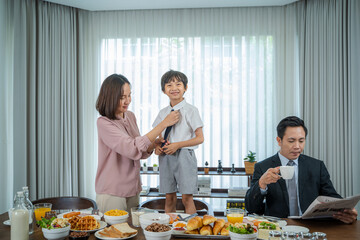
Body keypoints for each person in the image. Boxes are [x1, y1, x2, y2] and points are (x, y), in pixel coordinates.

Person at [245, 116, 358, 224]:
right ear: (279, 141)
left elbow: (332, 198)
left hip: (311, 226)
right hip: (278, 227)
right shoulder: (263, 167)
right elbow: (251, 208)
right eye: (291, 141)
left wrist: (347, 211)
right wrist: (262, 183)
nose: (297, 146)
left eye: (301, 141)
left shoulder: (316, 166)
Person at [95, 73, 180, 213]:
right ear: (110, 97)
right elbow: (131, 147)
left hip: (133, 189)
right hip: (112, 192)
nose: (127, 101)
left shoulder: (130, 116)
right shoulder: (104, 123)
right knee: (115, 233)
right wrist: (164, 123)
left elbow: (139, 151)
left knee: (132, 232)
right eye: (122, 97)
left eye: (129, 95)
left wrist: (154, 144)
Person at [153, 70, 204, 214]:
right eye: (169, 85)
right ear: (164, 90)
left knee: (187, 197)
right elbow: (157, 136)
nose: (174, 88)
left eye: (178, 84)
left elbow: (200, 138)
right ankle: (169, 231)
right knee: (169, 197)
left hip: (184, 155)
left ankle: (190, 231)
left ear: (185, 88)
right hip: (166, 156)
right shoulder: (162, 113)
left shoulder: (191, 111)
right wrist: (158, 146)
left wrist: (178, 145)